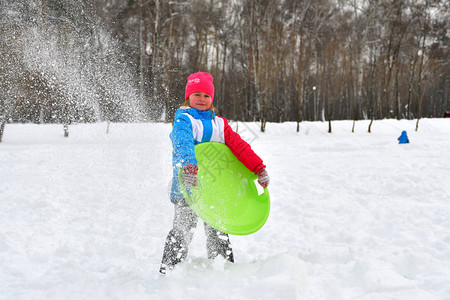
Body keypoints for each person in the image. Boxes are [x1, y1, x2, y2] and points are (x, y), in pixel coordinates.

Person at [159, 72, 270, 274]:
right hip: (188, 186)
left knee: (219, 229)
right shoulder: (184, 120)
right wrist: (188, 166)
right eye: (197, 94)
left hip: (215, 189)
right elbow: (182, 142)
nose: (202, 99)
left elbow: (240, 147)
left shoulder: (220, 124)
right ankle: (170, 270)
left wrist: (258, 168)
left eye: (206, 96)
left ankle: (224, 269)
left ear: (212, 99)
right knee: (183, 229)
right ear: (188, 97)